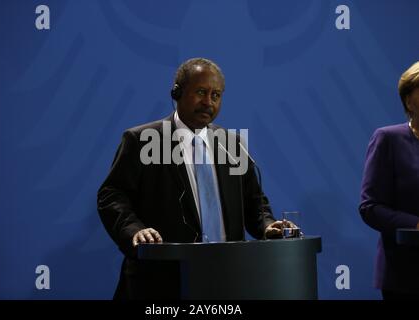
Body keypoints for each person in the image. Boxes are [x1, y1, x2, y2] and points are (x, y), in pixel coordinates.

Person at [97, 58, 290, 300]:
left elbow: (254, 202)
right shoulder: (144, 140)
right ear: (177, 92)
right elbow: (112, 195)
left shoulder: (232, 144)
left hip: (227, 280)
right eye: (201, 92)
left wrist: (267, 225)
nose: (208, 102)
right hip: (161, 284)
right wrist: (134, 230)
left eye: (216, 95)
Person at [359, 61, 419, 300]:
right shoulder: (388, 139)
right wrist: (416, 225)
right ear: (408, 101)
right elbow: (370, 207)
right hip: (406, 275)